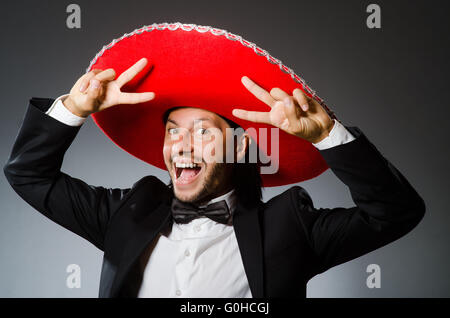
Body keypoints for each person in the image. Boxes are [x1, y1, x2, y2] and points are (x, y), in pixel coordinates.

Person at [4, 57, 425, 298]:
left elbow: (395, 213)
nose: (182, 144)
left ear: (239, 148)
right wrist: (73, 110)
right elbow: (28, 174)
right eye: (174, 131)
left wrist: (330, 136)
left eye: (204, 131)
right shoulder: (124, 213)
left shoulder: (290, 227)